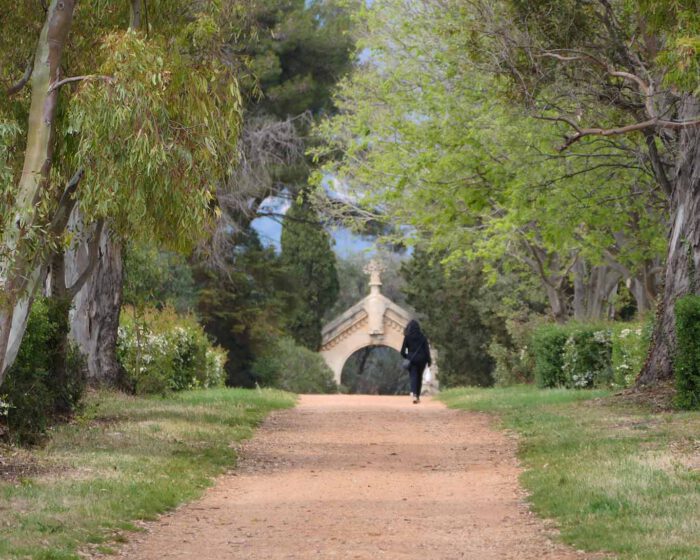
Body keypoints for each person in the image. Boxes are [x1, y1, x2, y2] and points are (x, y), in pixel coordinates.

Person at [400, 319, 431, 404]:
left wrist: (407, 356)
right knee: (419, 377)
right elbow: (426, 350)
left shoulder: (407, 337)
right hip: (422, 360)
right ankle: (417, 396)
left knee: (413, 376)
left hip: (412, 360)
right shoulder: (423, 337)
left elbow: (402, 351)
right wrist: (429, 361)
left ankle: (414, 394)